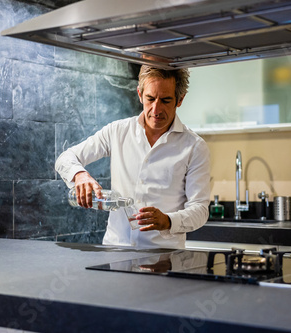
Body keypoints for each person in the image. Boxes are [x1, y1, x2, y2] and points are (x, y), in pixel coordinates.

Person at [55, 66, 211, 249]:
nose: (156, 109)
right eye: (150, 99)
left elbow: (200, 209)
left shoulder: (194, 147)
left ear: (180, 99)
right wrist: (79, 175)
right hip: (114, 252)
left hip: (163, 258)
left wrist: (169, 221)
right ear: (140, 94)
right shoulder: (117, 131)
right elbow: (65, 158)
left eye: (166, 100)